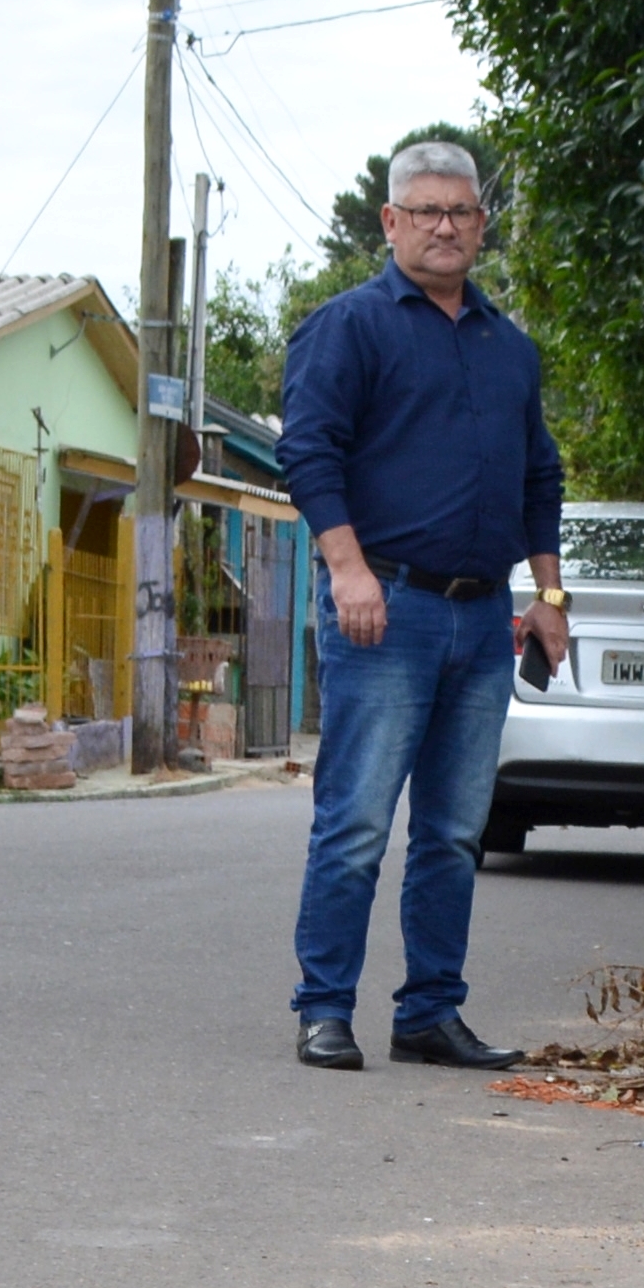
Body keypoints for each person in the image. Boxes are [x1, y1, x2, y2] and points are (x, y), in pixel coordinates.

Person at [271, 138, 571, 1072]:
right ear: (391, 221)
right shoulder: (349, 328)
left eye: (463, 212)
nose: (446, 227)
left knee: (452, 831)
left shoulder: (508, 347)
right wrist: (347, 570)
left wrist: (549, 595)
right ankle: (324, 1007)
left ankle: (429, 1012)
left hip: (483, 621)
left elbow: (539, 476)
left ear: (482, 226)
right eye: (427, 211)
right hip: (384, 611)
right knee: (357, 822)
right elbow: (309, 453)